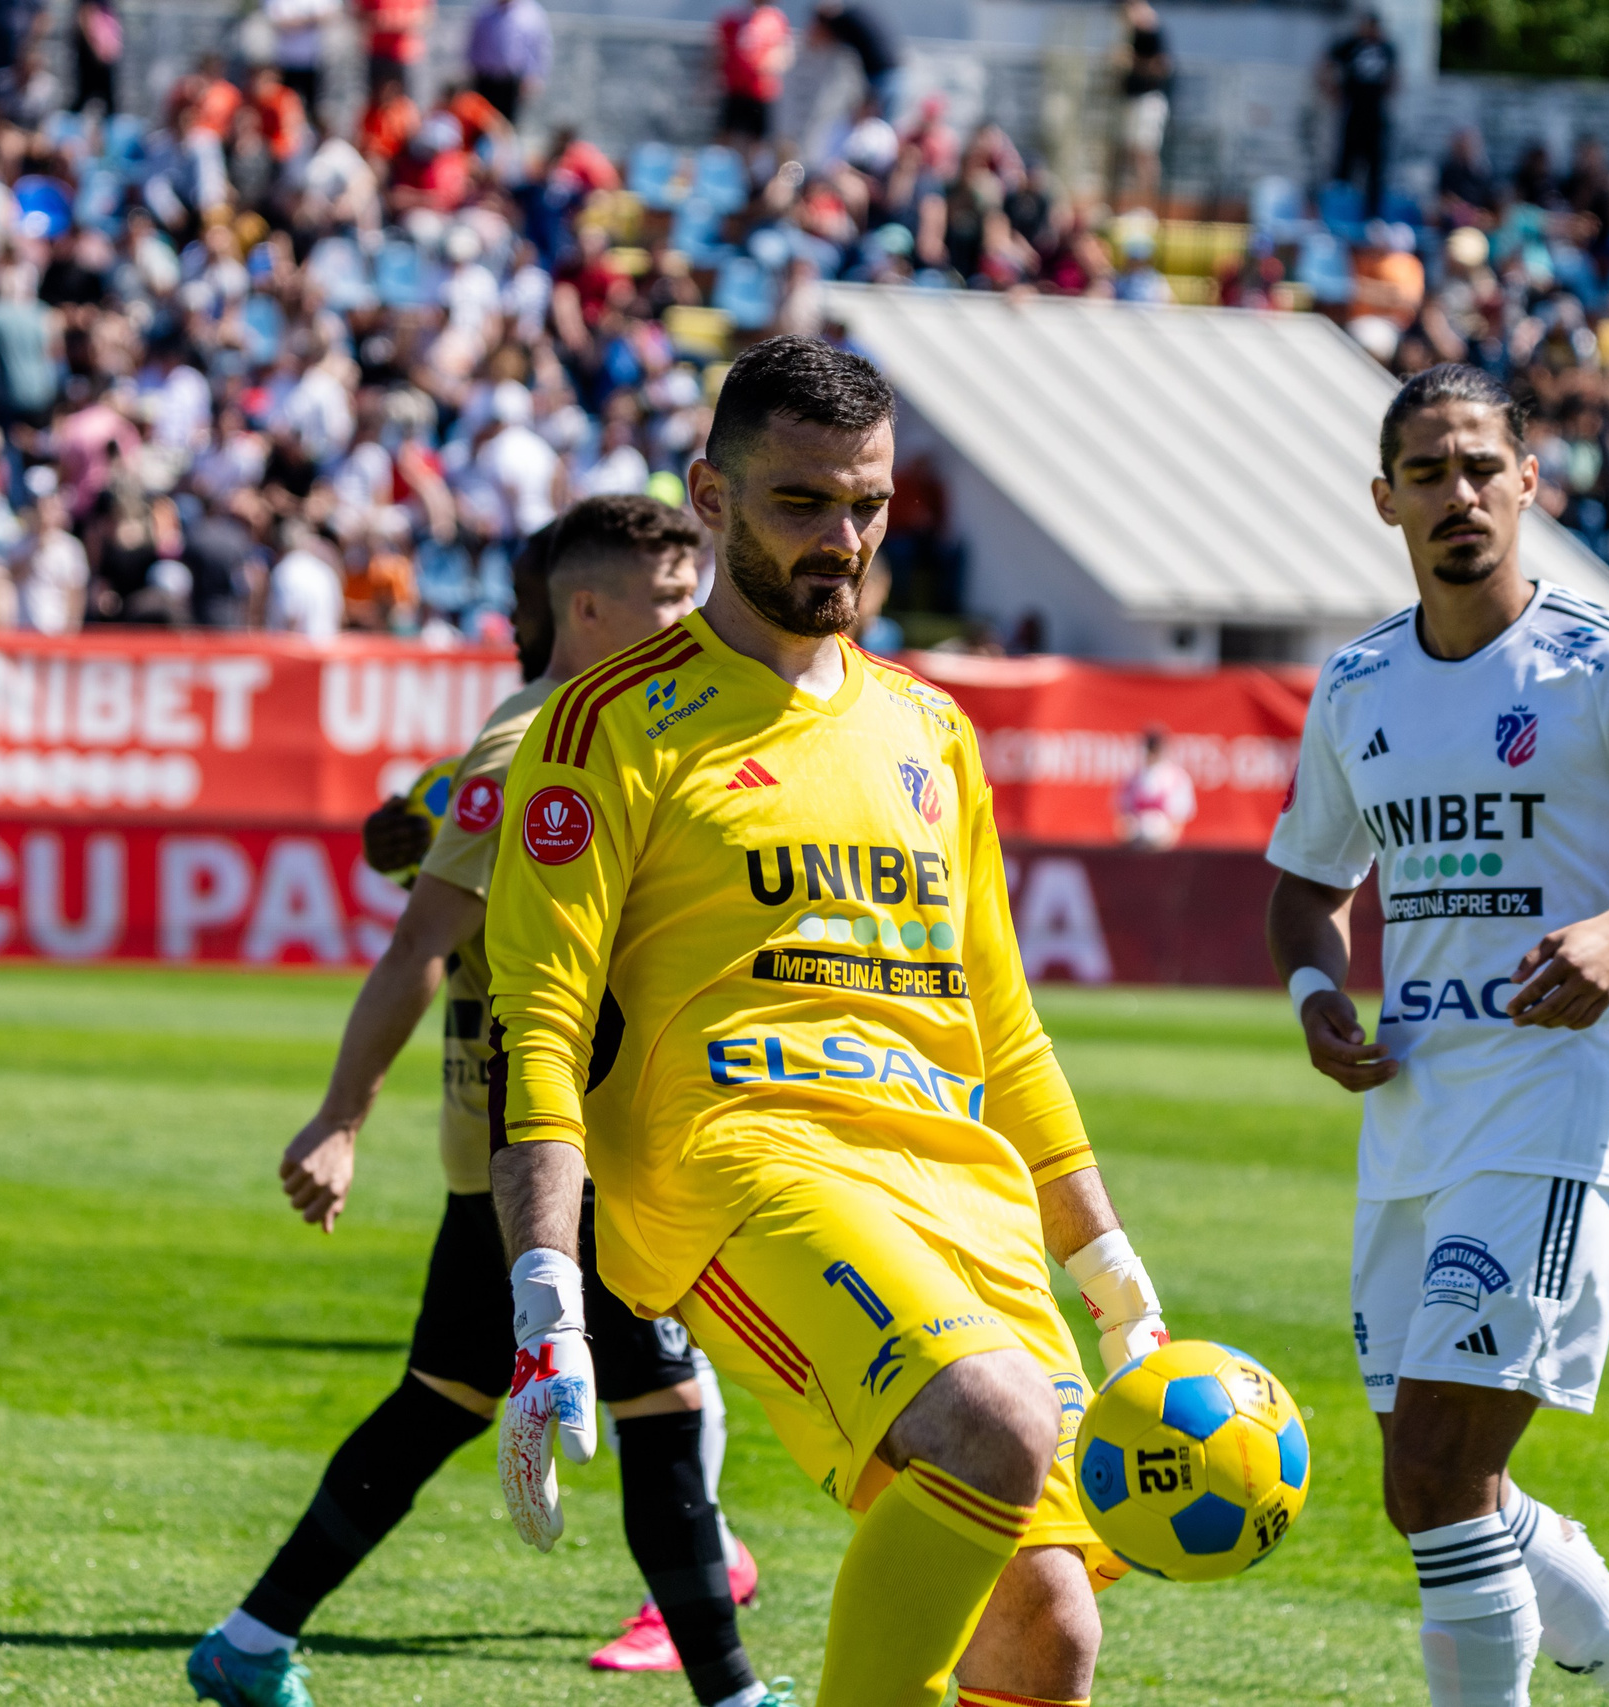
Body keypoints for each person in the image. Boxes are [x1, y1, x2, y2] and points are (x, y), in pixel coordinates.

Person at [484, 336, 1174, 1707]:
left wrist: (1099, 1251)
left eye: (868, 503)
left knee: (1047, 1632)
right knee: (994, 1421)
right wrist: (544, 1289)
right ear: (710, 496)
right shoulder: (608, 726)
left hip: (950, 1181)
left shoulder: (932, 728)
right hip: (739, 1163)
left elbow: (1000, 1016)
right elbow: (541, 1017)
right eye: (803, 502)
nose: (844, 539)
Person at [1266, 364, 1609, 1707]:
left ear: (1528, 482)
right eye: (1428, 471)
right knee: (1440, 1489)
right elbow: (1306, 885)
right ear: (1383, 498)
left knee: (1439, 1468)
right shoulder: (1359, 684)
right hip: (1411, 1112)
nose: (1458, 493)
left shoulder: (1603, 660)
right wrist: (1315, 992)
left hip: (1552, 1107)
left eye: (1479, 466)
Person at [187, 498, 774, 1707]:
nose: (693, 620)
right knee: (662, 1403)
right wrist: (340, 1120)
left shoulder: (603, 730)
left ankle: (249, 1644)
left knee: (441, 1402)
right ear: (590, 609)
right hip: (556, 1151)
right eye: (670, 604)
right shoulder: (534, 744)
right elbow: (417, 947)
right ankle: (732, 1696)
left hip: (539, 1141)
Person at [1322, 11, 1398, 222]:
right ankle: (1337, 214)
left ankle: (1372, 217)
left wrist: (1387, 94)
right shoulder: (1350, 45)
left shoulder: (1386, 48)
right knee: (1344, 166)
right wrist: (1332, 90)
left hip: (1375, 118)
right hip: (1353, 115)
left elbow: (1395, 76)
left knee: (1375, 170)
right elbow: (1326, 62)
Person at [1115, 0, 1171, 213]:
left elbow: (1162, 66)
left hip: (1148, 100)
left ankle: (1148, 207)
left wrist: (1131, 61)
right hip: (1135, 100)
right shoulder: (1137, 32)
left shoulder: (1151, 30)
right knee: (1134, 153)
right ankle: (1138, 205)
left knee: (1146, 155)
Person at [715, 2, 792, 146]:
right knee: (725, 136)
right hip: (735, 89)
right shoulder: (734, 17)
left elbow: (783, 52)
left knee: (756, 141)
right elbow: (720, 52)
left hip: (761, 92)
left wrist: (769, 65)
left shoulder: (775, 19)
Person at [809, 1, 900, 118]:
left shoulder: (841, 22)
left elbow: (819, 41)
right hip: (893, 75)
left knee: (877, 127)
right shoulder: (854, 15)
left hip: (883, 78)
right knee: (880, 126)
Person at [464, 0, 550, 123]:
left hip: (512, 81)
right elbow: (473, 43)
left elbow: (538, 48)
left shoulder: (531, 13)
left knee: (508, 124)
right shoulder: (485, 11)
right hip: (484, 78)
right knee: (480, 121)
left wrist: (534, 76)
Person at [1116, 725, 1194, 849]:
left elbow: (1178, 823)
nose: (1152, 752)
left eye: (1155, 747)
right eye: (1149, 747)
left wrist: (1163, 845)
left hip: (1166, 850)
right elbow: (1121, 820)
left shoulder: (1177, 778)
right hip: (1136, 848)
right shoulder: (1131, 778)